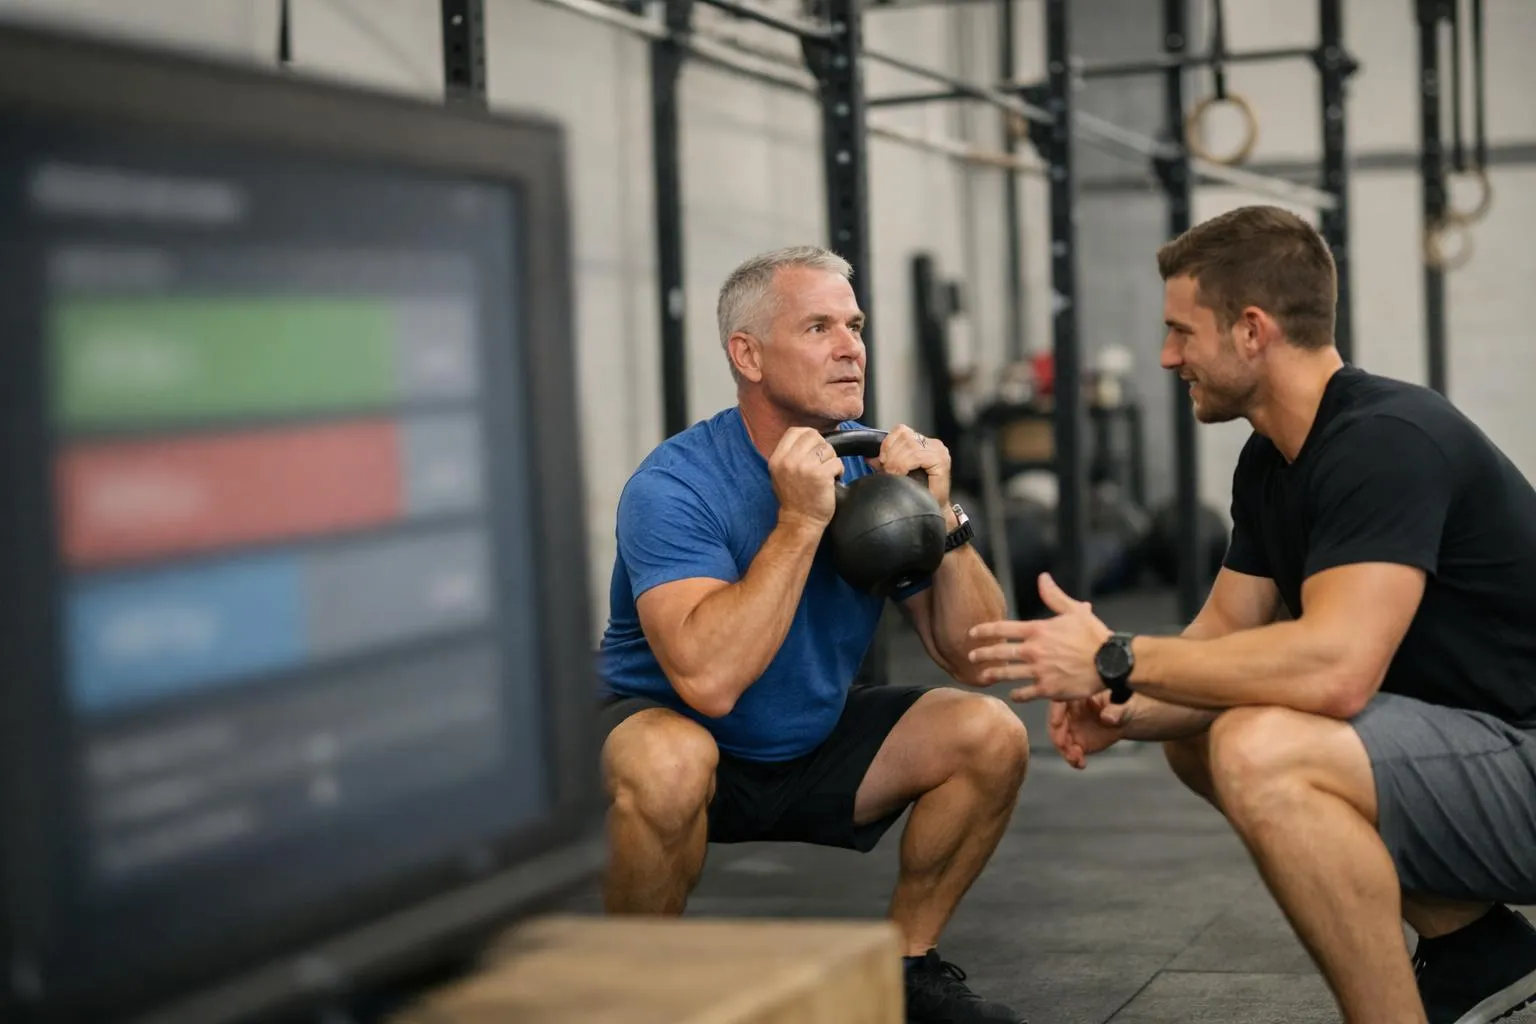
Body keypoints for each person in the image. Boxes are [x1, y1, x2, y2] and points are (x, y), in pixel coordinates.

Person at [966, 204, 1536, 1024]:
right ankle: (1474, 950)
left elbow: (1338, 670)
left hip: (1520, 757)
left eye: (1181, 332)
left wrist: (1116, 656)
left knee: (1259, 745)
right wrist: (1124, 705)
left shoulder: (1386, 441)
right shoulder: (1272, 461)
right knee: (1200, 728)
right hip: (1482, 751)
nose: (1167, 357)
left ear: (1252, 331)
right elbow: (1221, 640)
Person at [597, 245, 1030, 1024]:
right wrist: (800, 522)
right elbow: (708, 683)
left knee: (989, 734)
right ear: (748, 356)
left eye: (855, 326)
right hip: (681, 731)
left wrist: (942, 516)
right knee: (669, 761)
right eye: (819, 327)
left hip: (811, 737)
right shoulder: (675, 485)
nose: (850, 347)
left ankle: (907, 969)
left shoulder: (872, 467)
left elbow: (977, 656)